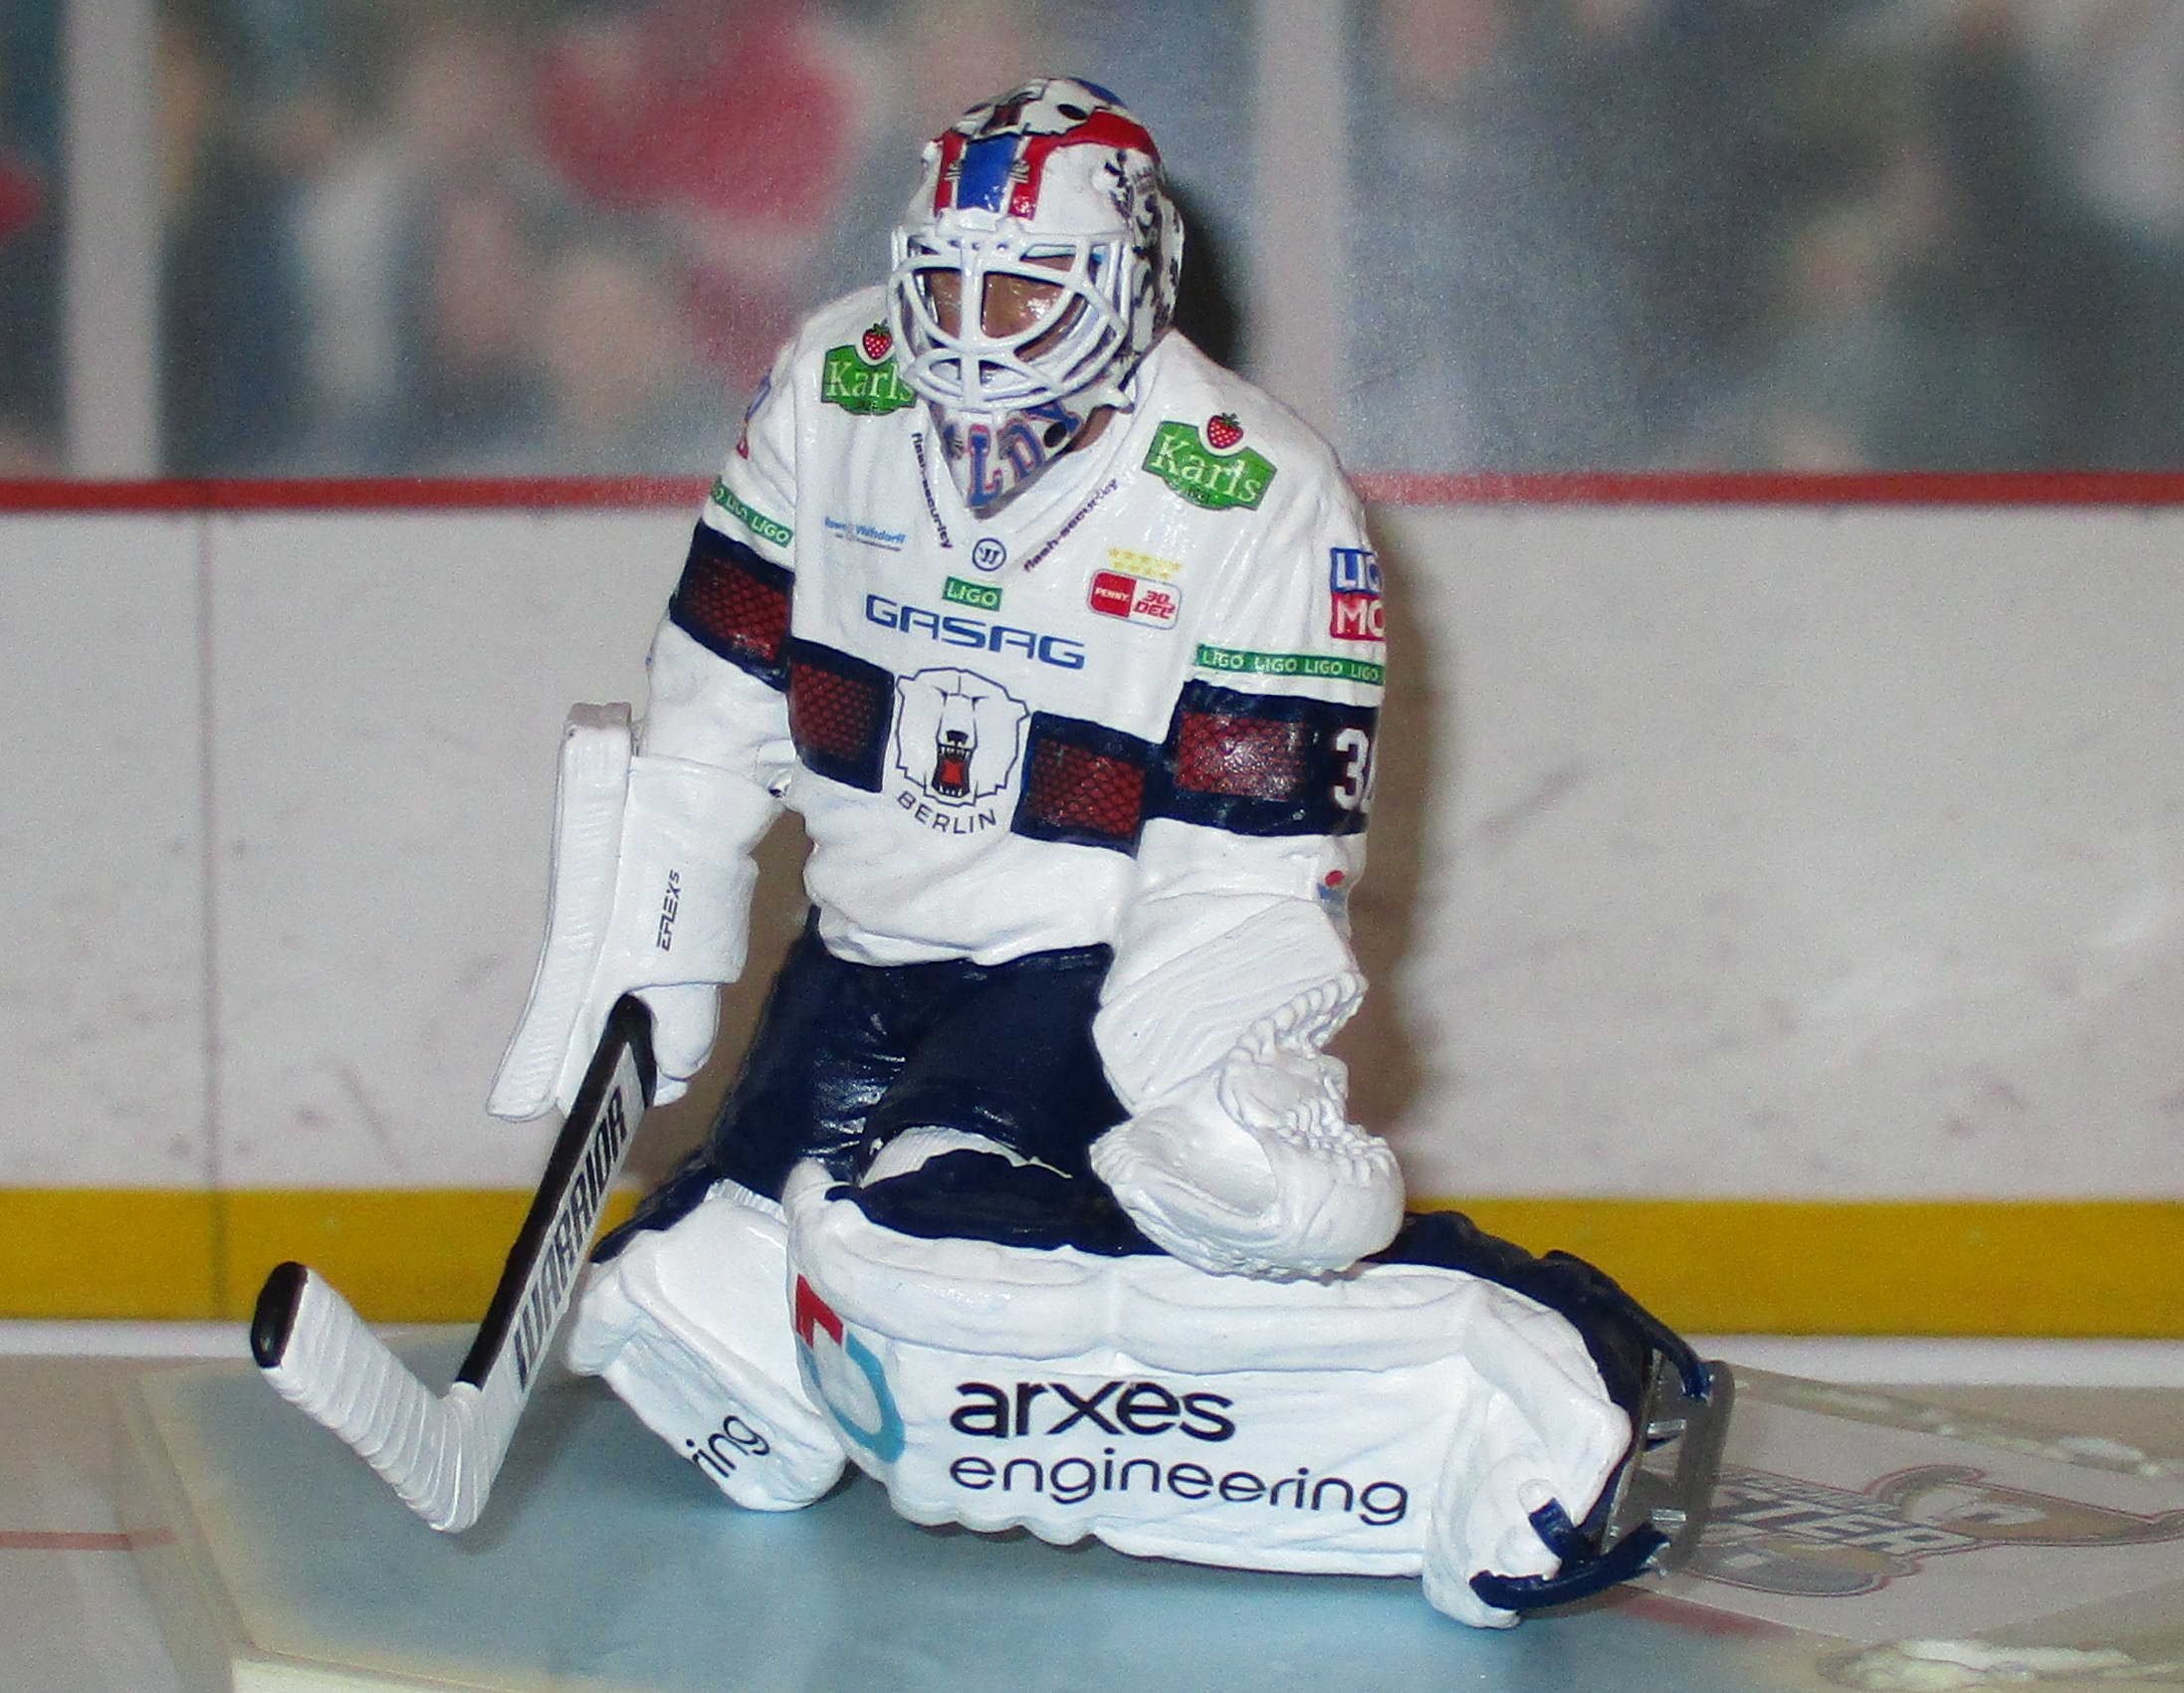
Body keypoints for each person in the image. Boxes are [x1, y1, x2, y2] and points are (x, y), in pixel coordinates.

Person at [486, 77, 1721, 1629]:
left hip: (1071, 964)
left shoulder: (1251, 488)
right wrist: (654, 924)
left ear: (1130, 277)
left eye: (1022, 291)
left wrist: (1206, 1070)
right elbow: (719, 680)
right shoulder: (832, 382)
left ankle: (1554, 1372)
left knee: (934, 1263)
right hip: (857, 952)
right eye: (944, 286)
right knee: (698, 1297)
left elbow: (1251, 840)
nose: (971, 335)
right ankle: (919, 1326)